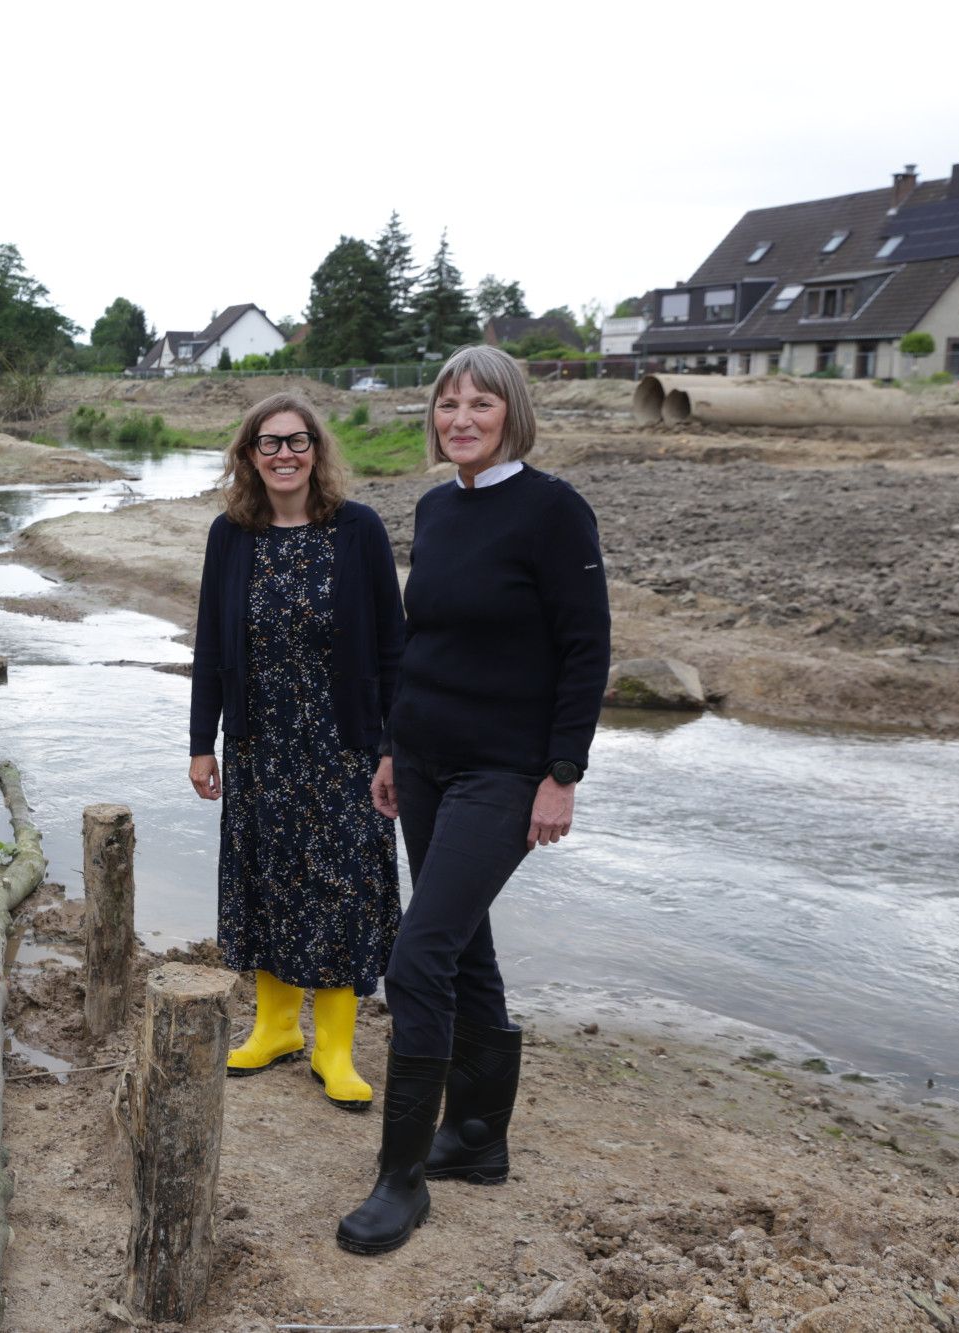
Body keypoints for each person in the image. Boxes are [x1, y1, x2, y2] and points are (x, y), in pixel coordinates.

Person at [337, 345, 609, 1255]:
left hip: (505, 770)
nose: (460, 418)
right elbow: (425, 642)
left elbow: (585, 648)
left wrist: (561, 773)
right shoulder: (438, 507)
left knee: (418, 953)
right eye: (447, 403)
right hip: (423, 761)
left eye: (479, 404)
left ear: (511, 413)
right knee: (464, 948)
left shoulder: (554, 510)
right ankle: (480, 1137)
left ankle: (401, 1177)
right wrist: (389, 746)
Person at [189, 392, 406, 1112]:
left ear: (318, 449)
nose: (284, 455)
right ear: (249, 456)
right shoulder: (231, 534)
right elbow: (212, 647)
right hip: (259, 742)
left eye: (297, 441)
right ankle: (277, 1026)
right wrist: (202, 743)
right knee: (269, 878)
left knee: (340, 885)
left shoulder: (359, 530)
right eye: (268, 443)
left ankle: (334, 1046)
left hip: (344, 743)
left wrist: (392, 744)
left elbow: (393, 645)